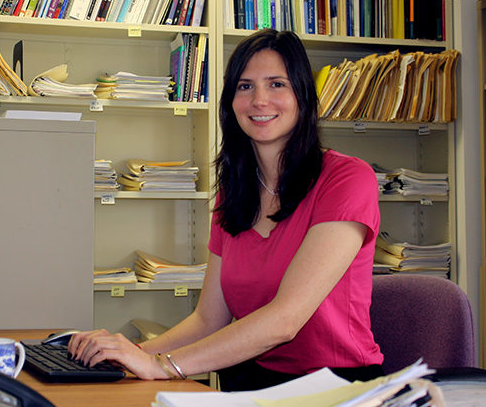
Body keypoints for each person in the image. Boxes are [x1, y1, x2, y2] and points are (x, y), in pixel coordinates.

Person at [67, 29, 384, 391]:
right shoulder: (235, 193)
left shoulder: (346, 179)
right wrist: (126, 357)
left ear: (302, 96)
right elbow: (208, 319)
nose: (259, 100)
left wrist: (159, 365)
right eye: (244, 86)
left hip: (336, 387)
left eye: (277, 84)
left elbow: (286, 320)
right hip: (252, 381)